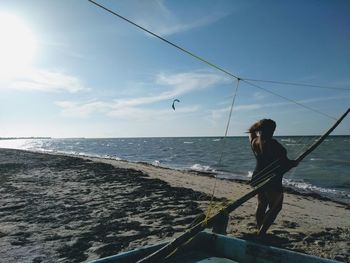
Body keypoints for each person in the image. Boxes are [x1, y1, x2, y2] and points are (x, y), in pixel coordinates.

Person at [248, 119, 297, 235]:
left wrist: (257, 126)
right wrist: (293, 164)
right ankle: (262, 232)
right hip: (272, 179)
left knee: (262, 204)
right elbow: (283, 166)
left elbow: (251, 131)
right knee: (276, 207)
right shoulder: (274, 145)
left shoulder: (255, 141)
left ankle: (260, 228)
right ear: (272, 130)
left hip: (258, 177)